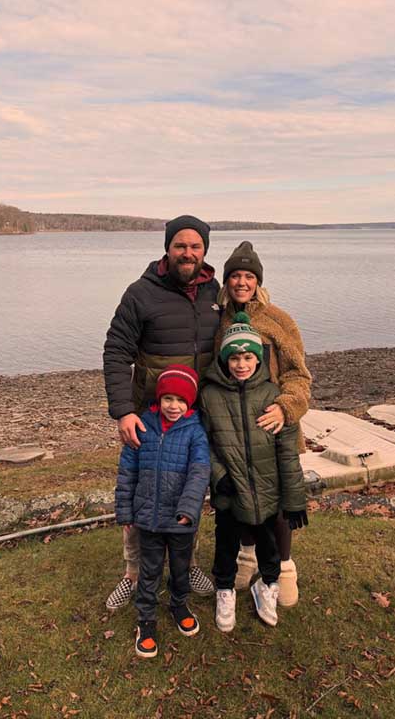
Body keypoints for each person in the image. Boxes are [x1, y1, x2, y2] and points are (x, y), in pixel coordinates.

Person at [103, 215, 220, 610]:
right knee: (143, 492)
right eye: (180, 246)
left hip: (194, 417)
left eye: (195, 246)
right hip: (149, 416)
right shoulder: (140, 294)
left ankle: (187, 566)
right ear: (167, 249)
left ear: (204, 250)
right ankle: (133, 574)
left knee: (190, 490)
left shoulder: (214, 291)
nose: (188, 253)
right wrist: (123, 411)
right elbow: (116, 351)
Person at [215, 240, 312, 607]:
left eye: (249, 276)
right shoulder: (219, 321)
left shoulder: (278, 321)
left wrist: (285, 409)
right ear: (226, 281)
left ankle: (283, 569)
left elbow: (298, 375)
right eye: (235, 276)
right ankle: (246, 559)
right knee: (241, 498)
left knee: (279, 504)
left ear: (258, 281)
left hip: (273, 427)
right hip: (235, 432)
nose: (242, 282)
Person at [200, 312, 308, 631]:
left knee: (269, 544)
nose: (241, 364)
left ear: (258, 358)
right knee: (226, 542)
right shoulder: (210, 396)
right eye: (234, 358)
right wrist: (219, 477)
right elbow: (203, 443)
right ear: (225, 359)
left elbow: (288, 454)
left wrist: (294, 500)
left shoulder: (273, 397)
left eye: (248, 357)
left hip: (267, 491)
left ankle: (268, 584)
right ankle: (224, 589)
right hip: (229, 490)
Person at [115, 365, 210, 658]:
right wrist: (126, 511)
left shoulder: (195, 431)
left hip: (181, 520)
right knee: (149, 571)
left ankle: (179, 604)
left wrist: (189, 508)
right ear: (159, 398)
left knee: (181, 569)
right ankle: (146, 619)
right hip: (148, 518)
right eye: (168, 398)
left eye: (181, 400)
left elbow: (199, 472)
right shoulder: (143, 426)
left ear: (189, 403)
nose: (174, 406)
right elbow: (127, 472)